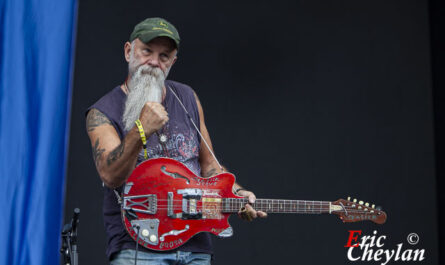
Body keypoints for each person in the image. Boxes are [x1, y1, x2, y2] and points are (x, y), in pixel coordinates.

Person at [86, 17, 267, 265]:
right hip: (139, 245)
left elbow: (210, 168)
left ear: (173, 61)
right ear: (129, 51)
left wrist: (237, 193)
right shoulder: (103, 111)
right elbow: (110, 175)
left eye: (164, 56)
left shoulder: (187, 97)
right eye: (147, 51)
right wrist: (141, 130)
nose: (153, 62)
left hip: (196, 244)